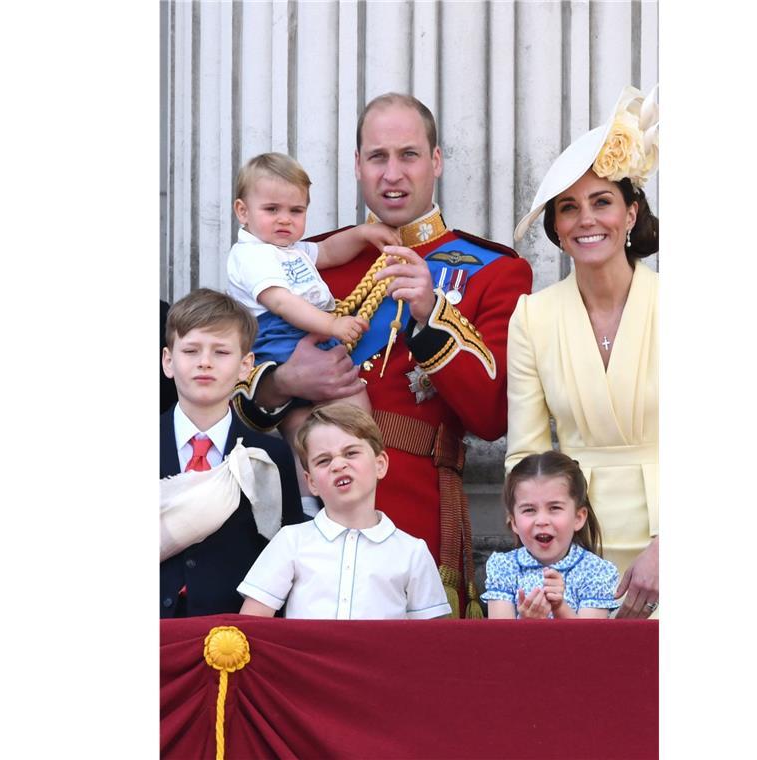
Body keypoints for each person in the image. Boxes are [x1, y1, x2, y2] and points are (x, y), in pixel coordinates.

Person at [232, 93, 533, 617]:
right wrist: (287, 381)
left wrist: (429, 313)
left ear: (436, 161)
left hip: (417, 502)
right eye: (377, 157)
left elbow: (491, 417)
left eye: (409, 155)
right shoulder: (301, 258)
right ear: (356, 165)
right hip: (312, 506)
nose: (393, 173)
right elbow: (236, 391)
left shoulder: (494, 269)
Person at [508, 85, 660, 619]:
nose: (586, 220)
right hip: (574, 543)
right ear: (556, 228)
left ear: (631, 212)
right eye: (568, 208)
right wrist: (542, 557)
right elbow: (524, 453)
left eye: (602, 202)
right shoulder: (532, 316)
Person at [226, 152, 400, 514]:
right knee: (343, 401)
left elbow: (329, 251)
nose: (285, 220)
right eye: (272, 210)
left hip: (302, 331)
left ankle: (314, 499)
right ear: (243, 212)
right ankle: (320, 498)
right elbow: (282, 302)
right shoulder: (252, 254)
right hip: (280, 336)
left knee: (303, 423)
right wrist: (333, 325)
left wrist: (363, 233)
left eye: (296, 211)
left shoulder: (289, 250)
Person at [159, 288, 307, 618]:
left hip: (237, 639)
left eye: (221, 352)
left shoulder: (270, 456)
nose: (205, 362)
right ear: (168, 361)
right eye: (191, 350)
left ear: (245, 365)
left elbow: (285, 553)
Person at [237, 403, 451, 620]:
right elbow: (253, 622)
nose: (338, 465)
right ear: (311, 482)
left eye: (350, 453)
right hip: (306, 655)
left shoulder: (412, 552)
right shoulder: (291, 541)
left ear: (380, 464)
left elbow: (432, 638)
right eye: (324, 460)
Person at [482, 451, 619, 619]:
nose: (541, 520)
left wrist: (559, 608)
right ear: (514, 522)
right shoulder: (503, 568)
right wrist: (527, 623)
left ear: (578, 517)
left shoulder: (596, 572)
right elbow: (498, 640)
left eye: (554, 508)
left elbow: (589, 641)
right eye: (529, 510)